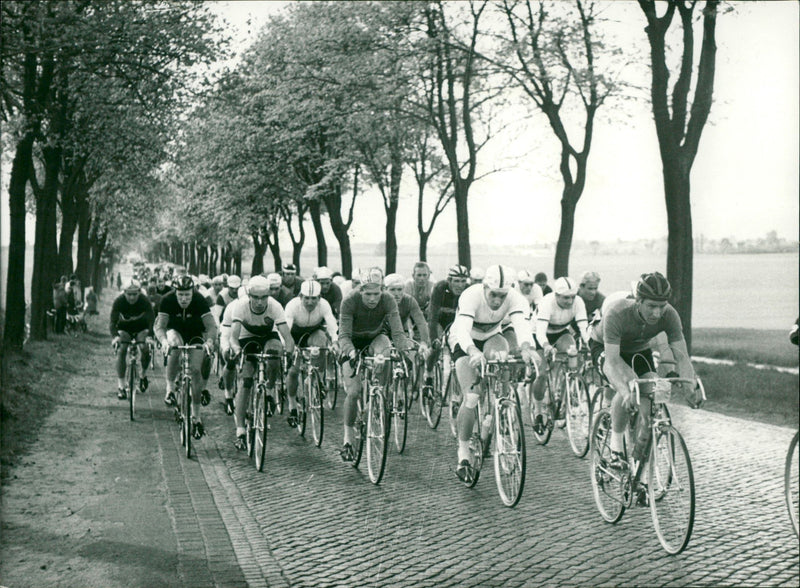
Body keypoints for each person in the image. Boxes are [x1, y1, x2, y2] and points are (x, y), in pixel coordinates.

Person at [589, 272, 696, 467]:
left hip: (639, 348)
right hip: (607, 348)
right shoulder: (617, 312)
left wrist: (691, 387)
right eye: (651, 306)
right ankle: (616, 446)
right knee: (632, 384)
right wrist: (625, 390)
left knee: (652, 386)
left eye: (661, 306)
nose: (657, 313)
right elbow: (612, 363)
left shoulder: (670, 315)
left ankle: (641, 456)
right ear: (638, 301)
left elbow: (682, 357)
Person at [449, 265, 535, 481]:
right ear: (485, 286)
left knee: (501, 360)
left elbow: (521, 325)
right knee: (472, 395)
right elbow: (462, 330)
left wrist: (526, 347)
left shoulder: (515, 298)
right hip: (464, 340)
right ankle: (463, 452)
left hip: (491, 336)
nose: (497, 300)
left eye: (502, 296)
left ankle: (493, 414)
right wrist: (472, 351)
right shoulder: (471, 295)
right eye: (493, 294)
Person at [337, 268, 410, 461]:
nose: (372, 298)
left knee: (385, 350)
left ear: (382, 290)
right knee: (353, 392)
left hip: (375, 339)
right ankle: (348, 438)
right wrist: (351, 352)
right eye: (367, 294)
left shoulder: (388, 300)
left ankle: (374, 401)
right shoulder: (349, 301)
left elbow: (397, 332)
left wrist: (404, 350)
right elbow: (343, 335)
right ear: (360, 290)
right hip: (352, 342)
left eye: (376, 294)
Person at [229, 275, 295, 450]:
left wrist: (289, 353)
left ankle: (270, 389)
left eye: (264, 297)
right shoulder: (240, 306)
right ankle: (240, 430)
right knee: (246, 381)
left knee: (274, 353)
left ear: (268, 295)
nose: (260, 302)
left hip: (268, 335)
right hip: (246, 337)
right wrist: (236, 350)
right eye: (255, 297)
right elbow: (233, 337)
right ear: (249, 295)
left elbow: (287, 338)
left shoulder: (275, 306)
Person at [154, 275, 217, 439]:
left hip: (195, 334)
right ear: (175, 292)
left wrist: (209, 341)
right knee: (174, 345)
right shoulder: (167, 300)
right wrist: (163, 342)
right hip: (175, 332)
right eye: (180, 295)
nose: (183, 299)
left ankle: (196, 417)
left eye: (187, 295)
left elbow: (211, 326)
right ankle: (170, 389)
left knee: (195, 371)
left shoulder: (200, 300)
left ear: (192, 292)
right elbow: (160, 326)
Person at [530, 277, 589, 433]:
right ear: (556, 295)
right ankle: (538, 409)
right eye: (565, 298)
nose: (570, 301)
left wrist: (590, 344)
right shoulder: (546, 302)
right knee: (541, 373)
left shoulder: (579, 302)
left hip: (560, 331)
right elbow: (541, 332)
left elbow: (584, 328)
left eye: (572, 297)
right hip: (538, 335)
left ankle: (564, 392)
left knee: (573, 353)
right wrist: (546, 346)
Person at [284, 279, 338, 426]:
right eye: (306, 298)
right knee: (293, 371)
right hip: (294, 335)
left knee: (322, 342)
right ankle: (292, 406)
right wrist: (289, 346)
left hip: (313, 332)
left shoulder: (324, 305)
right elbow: (286, 329)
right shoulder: (292, 306)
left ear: (319, 298)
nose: (310, 302)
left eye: (313, 298)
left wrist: (334, 341)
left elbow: (332, 324)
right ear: (300, 296)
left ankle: (318, 379)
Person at [425, 265, 470, 387]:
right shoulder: (440, 288)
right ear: (449, 280)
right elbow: (432, 316)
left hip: (457, 324)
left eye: (463, 281)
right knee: (436, 346)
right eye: (456, 281)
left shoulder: (468, 290)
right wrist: (434, 338)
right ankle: (428, 373)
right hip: (440, 321)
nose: (460, 285)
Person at [110, 280, 155, 399]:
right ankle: (121, 386)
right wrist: (115, 337)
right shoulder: (119, 301)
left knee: (145, 348)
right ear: (124, 292)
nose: (132, 297)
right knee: (121, 349)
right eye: (129, 294)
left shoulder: (145, 301)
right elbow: (112, 322)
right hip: (124, 329)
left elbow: (151, 320)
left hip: (141, 328)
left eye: (135, 294)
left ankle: (143, 375)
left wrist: (150, 336)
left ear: (139, 292)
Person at [385, 273, 430, 351]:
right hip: (382, 331)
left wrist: (424, 342)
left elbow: (421, 322)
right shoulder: (380, 300)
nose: (396, 294)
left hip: (401, 330)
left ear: (404, 289)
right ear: (385, 290)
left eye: (399, 289)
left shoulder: (409, 301)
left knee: (409, 350)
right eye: (392, 290)